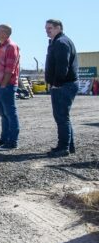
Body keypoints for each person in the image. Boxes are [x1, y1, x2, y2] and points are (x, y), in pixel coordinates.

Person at [45, 19, 79, 157]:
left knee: (61, 117)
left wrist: (56, 83)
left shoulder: (61, 43)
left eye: (50, 28)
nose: (47, 30)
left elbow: (62, 66)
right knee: (63, 116)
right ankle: (68, 146)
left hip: (64, 85)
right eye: (46, 28)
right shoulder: (57, 42)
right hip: (65, 84)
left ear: (59, 28)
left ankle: (63, 147)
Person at [0, 24, 21, 150]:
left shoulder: (11, 47)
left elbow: (10, 69)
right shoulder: (1, 46)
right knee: (4, 114)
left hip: (6, 86)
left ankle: (12, 142)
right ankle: (4, 139)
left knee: (10, 113)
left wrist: (3, 85)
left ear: (4, 32)